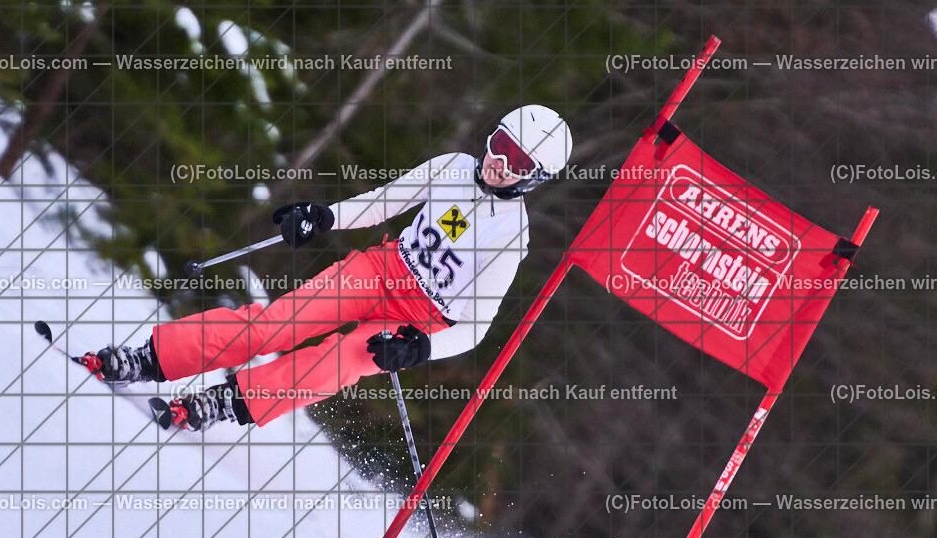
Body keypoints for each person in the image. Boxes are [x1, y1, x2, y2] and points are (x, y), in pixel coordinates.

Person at [82, 105, 573, 431]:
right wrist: (325, 217)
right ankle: (148, 359)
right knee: (277, 325)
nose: (499, 163)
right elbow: (383, 202)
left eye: (517, 163)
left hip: (415, 320)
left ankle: (223, 403)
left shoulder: (512, 234)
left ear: (533, 179)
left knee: (333, 367)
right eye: (500, 144)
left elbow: (477, 327)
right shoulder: (454, 167)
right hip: (382, 270)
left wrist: (420, 348)